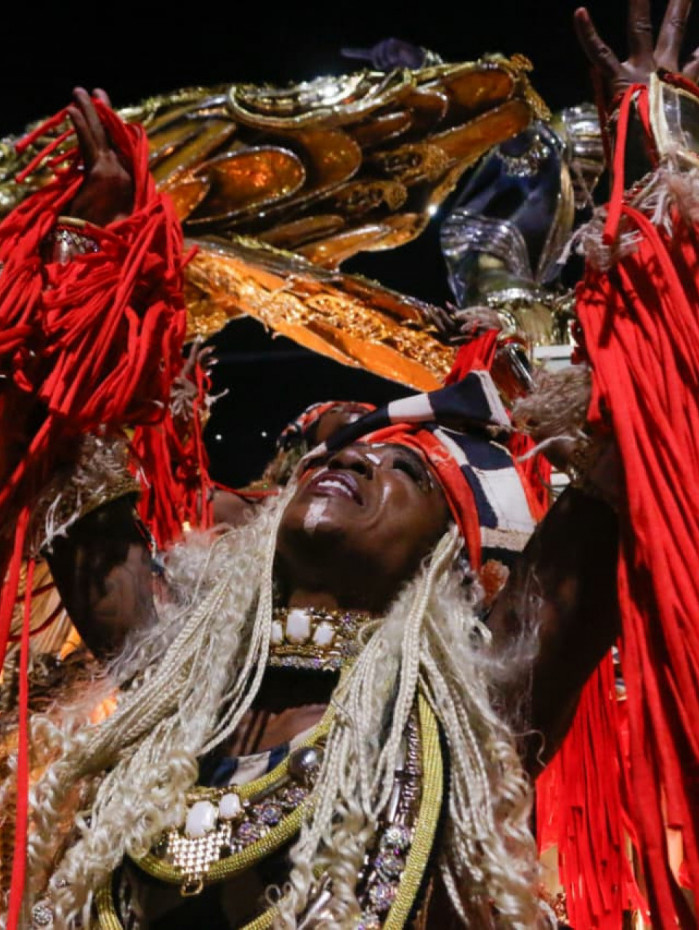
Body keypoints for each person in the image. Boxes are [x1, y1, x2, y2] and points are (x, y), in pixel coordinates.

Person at [0, 3, 696, 929]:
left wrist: (657, 167)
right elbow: (64, 449)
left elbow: (640, 446)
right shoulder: (178, 673)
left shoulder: (480, 691)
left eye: (406, 472)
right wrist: (87, 250)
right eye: (342, 452)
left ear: (450, 563)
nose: (355, 460)